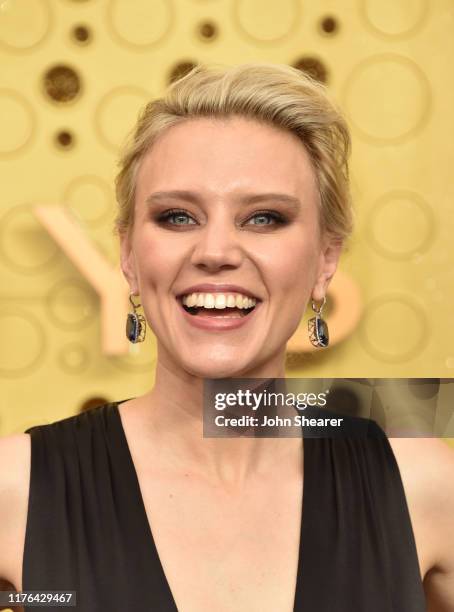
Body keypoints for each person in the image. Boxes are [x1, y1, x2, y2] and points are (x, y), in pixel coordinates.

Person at [0, 63, 453, 611]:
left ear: (325, 260)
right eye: (176, 217)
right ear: (127, 254)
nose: (216, 251)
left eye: (264, 218)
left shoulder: (421, 487)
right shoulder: (16, 487)